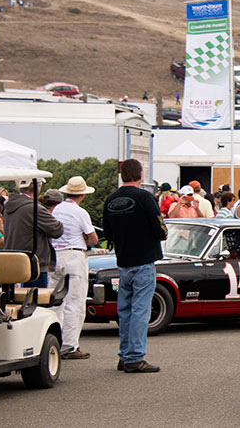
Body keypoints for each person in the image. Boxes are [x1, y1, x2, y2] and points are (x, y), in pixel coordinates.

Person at [103, 159, 168, 373]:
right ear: (140, 175)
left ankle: (124, 354)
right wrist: (162, 234)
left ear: (122, 175)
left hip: (123, 260)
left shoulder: (111, 199)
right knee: (141, 309)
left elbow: (108, 232)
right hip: (144, 259)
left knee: (125, 310)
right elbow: (159, 227)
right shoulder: (145, 197)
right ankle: (135, 356)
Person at [50, 176, 99, 360]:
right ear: (82, 195)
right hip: (74, 255)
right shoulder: (80, 213)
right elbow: (93, 238)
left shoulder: (56, 210)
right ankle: (70, 345)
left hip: (56, 255)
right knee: (75, 302)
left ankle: (54, 341)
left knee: (55, 302)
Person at [4, 179, 64, 288]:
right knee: (35, 301)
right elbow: (57, 230)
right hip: (34, 262)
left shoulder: (9, 205)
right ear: (38, 187)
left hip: (14, 260)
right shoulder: (35, 208)